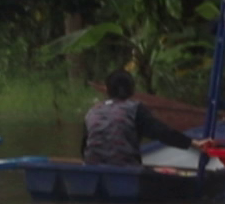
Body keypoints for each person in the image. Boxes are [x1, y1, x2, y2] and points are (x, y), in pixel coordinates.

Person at [81, 69, 210, 165]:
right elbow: (162, 133)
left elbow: (85, 146)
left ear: (108, 90)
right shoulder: (135, 109)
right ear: (132, 90)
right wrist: (193, 143)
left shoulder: (93, 111)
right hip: (125, 169)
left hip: (91, 166)